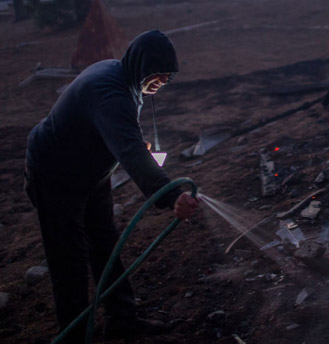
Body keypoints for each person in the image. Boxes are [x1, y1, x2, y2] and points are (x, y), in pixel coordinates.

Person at [24, 30, 199, 342]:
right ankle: (74, 336)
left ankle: (122, 319)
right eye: (156, 74)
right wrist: (171, 194)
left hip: (90, 173)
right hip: (54, 175)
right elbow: (129, 150)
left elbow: (120, 133)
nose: (160, 81)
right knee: (70, 262)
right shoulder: (110, 92)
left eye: (167, 77)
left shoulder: (125, 78)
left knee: (106, 243)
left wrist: (130, 144)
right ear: (140, 64)